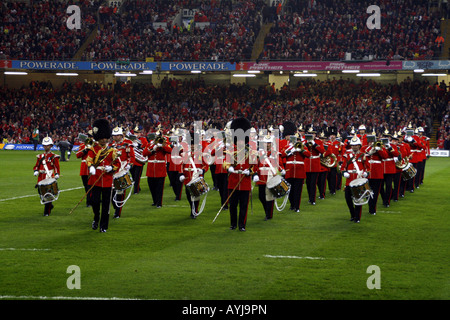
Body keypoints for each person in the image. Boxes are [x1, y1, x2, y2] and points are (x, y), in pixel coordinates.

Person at [86, 119, 121, 232]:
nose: (103, 140)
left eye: (105, 138)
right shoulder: (93, 149)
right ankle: (96, 218)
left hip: (107, 179)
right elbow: (89, 159)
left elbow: (117, 164)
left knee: (106, 205)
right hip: (95, 178)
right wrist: (91, 167)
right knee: (95, 202)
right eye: (101, 138)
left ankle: (103, 226)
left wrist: (112, 168)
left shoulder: (112, 151)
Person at [224, 117, 255, 231]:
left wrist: (249, 171)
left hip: (245, 181)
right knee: (233, 205)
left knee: (243, 206)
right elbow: (225, 163)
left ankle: (242, 225)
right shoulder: (231, 150)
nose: (241, 141)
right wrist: (229, 168)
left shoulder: (250, 151)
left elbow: (254, 166)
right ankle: (233, 224)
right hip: (233, 180)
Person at [254, 134, 285, 220]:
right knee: (261, 196)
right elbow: (256, 164)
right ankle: (267, 211)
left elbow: (279, 164)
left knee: (270, 196)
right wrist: (255, 173)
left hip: (270, 175)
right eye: (266, 143)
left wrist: (282, 169)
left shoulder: (275, 153)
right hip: (261, 176)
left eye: (269, 143)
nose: (267, 144)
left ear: (271, 144)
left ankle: (269, 214)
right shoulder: (260, 153)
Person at [282, 128, 310, 213]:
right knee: (290, 190)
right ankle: (292, 205)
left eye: (298, 140)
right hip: (290, 170)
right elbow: (283, 155)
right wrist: (291, 149)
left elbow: (308, 155)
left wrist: (301, 150)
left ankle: (297, 206)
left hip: (299, 171)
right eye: (295, 140)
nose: (297, 142)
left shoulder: (303, 147)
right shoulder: (287, 147)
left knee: (298, 190)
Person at [341, 136, 368, 223]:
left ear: (359, 146)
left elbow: (368, 168)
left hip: (358, 180)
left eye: (356, 145)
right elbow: (342, 167)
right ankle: (352, 214)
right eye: (352, 145)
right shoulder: (347, 155)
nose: (354, 147)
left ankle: (357, 217)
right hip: (349, 181)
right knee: (348, 199)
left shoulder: (363, 155)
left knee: (358, 200)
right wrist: (344, 173)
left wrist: (365, 173)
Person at [110, 126, 135, 219]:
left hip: (123, 167)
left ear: (121, 135)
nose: (115, 137)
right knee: (111, 191)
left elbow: (131, 156)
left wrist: (129, 165)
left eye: (117, 136)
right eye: (114, 136)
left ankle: (118, 212)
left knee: (120, 191)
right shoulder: (112, 145)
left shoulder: (127, 144)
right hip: (114, 169)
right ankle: (116, 207)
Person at [179, 141, 209, 219]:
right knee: (188, 195)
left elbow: (206, 165)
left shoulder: (199, 155)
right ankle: (192, 209)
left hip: (196, 177)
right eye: (191, 144)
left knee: (196, 195)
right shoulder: (186, 154)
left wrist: (202, 171)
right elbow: (181, 165)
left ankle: (194, 211)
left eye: (193, 144)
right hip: (187, 178)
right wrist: (181, 174)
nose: (192, 146)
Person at [143, 132, 172, 208]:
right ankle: (155, 201)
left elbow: (170, 150)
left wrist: (162, 146)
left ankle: (159, 203)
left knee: (159, 187)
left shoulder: (163, 145)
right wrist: (153, 148)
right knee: (152, 186)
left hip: (160, 169)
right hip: (151, 169)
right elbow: (144, 153)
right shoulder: (149, 145)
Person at [33, 136, 60, 216]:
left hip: (49, 176)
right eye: (44, 145)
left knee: (48, 194)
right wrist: (36, 170)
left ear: (51, 146)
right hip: (41, 177)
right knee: (41, 194)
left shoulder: (54, 156)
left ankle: (46, 212)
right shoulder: (40, 156)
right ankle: (50, 206)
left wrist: (56, 173)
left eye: (47, 145)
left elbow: (56, 166)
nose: (46, 147)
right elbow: (37, 165)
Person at [364, 135, 388, 215]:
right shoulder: (365, 148)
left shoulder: (380, 147)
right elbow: (362, 157)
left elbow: (385, 156)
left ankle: (372, 209)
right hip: (367, 173)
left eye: (372, 141)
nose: (371, 143)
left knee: (376, 192)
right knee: (367, 191)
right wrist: (368, 152)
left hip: (377, 173)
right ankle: (370, 205)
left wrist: (378, 150)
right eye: (370, 141)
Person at [304, 125, 325, 205]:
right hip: (307, 163)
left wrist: (314, 144)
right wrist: (307, 144)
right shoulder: (305, 142)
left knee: (313, 183)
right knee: (308, 183)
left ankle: (312, 199)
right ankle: (310, 197)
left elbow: (322, 151)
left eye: (313, 133)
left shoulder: (319, 142)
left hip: (315, 163)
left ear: (315, 134)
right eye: (310, 133)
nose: (312, 135)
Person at [380, 130, 399, 208]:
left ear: (390, 138)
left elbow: (396, 154)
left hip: (389, 167)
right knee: (380, 186)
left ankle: (387, 201)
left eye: (387, 137)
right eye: (384, 136)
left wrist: (390, 148)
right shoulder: (380, 145)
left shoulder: (393, 146)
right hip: (381, 167)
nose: (386, 138)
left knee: (388, 186)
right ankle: (384, 198)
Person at [75, 130, 93, 207]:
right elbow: (78, 155)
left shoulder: (95, 145)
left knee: (91, 186)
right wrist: (85, 150)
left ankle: (89, 201)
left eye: (91, 137)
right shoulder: (83, 145)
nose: (90, 138)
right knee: (86, 186)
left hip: (92, 167)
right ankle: (90, 200)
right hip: (84, 168)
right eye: (89, 136)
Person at [130, 125, 148, 194]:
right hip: (132, 161)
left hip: (139, 160)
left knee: (137, 176)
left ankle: (136, 190)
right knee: (133, 175)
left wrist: (139, 145)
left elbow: (145, 147)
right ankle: (138, 187)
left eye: (137, 133)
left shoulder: (143, 139)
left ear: (140, 133)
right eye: (135, 133)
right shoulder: (131, 140)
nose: (136, 134)